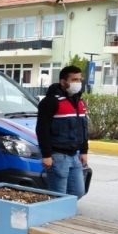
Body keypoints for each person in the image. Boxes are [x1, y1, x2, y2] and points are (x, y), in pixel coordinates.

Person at [36, 65, 88, 198]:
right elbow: (42, 129)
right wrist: (46, 155)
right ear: (63, 82)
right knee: (58, 196)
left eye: (79, 79)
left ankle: (63, 215)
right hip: (58, 156)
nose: (78, 83)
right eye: (74, 80)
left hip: (74, 156)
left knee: (78, 192)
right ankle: (54, 217)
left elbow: (82, 128)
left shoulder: (79, 102)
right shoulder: (51, 101)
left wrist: (84, 151)